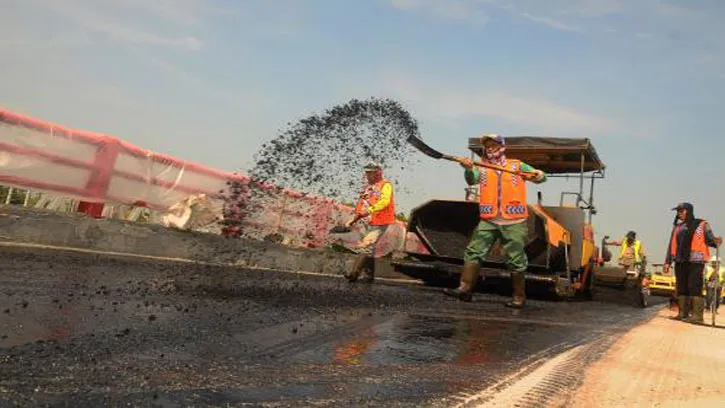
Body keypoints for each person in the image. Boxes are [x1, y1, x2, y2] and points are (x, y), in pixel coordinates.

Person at [443, 134, 546, 308]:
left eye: (494, 144)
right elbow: (471, 179)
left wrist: (538, 174)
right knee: (474, 252)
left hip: (514, 219)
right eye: (487, 145)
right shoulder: (481, 167)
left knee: (516, 259)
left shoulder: (516, 165)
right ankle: (465, 288)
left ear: (502, 146)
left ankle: (519, 297)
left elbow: (541, 177)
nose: (490, 148)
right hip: (489, 219)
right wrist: (467, 168)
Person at [663, 202, 722, 324]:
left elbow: (709, 239)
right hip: (680, 260)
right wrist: (667, 261)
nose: (679, 214)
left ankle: (697, 316)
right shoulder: (677, 227)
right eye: (678, 212)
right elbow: (671, 245)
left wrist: (716, 241)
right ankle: (682, 313)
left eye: (681, 211)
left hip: (696, 260)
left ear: (689, 211)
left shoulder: (701, 224)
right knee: (682, 287)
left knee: (694, 287)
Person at [343, 162, 396, 283]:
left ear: (378, 173)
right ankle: (369, 276)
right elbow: (361, 206)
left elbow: (385, 202)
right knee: (370, 248)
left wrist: (369, 211)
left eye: (370, 173)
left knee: (366, 245)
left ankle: (354, 274)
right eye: (366, 173)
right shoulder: (368, 188)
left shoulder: (386, 185)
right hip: (369, 221)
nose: (367, 175)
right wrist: (353, 220)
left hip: (381, 220)